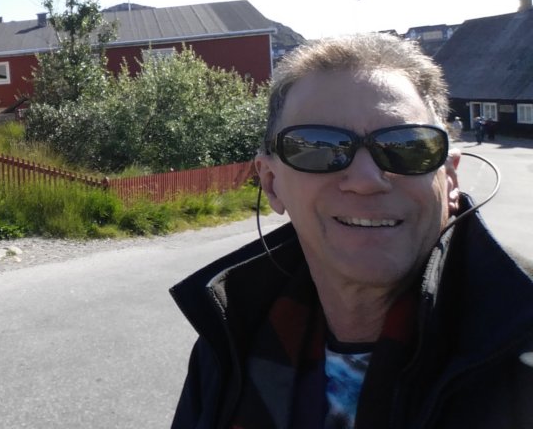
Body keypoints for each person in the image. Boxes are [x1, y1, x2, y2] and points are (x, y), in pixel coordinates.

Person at [170, 34, 533, 429]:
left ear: (449, 179)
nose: (365, 180)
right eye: (318, 147)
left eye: (407, 146)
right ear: (272, 184)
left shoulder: (522, 342)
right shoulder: (227, 343)